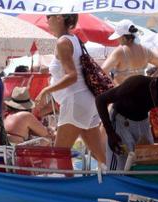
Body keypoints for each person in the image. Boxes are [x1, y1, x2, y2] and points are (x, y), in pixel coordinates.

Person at [35, 14, 106, 166]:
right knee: (99, 155)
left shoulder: (62, 42)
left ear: (60, 17)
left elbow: (72, 76)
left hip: (76, 101)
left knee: (60, 153)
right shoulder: (74, 39)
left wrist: (46, 90)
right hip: (87, 101)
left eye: (49, 16)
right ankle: (120, 180)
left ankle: (64, 189)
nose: (47, 20)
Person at [95, 70, 158, 171]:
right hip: (121, 121)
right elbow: (100, 100)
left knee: (147, 163)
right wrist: (110, 133)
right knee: (120, 168)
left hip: (143, 122)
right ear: (153, 87)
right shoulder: (135, 84)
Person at [102, 20, 158, 86]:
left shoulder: (119, 52)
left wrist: (115, 86)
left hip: (123, 93)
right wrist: (150, 79)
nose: (117, 39)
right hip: (139, 92)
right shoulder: (146, 51)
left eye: (118, 37)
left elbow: (103, 70)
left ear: (123, 37)